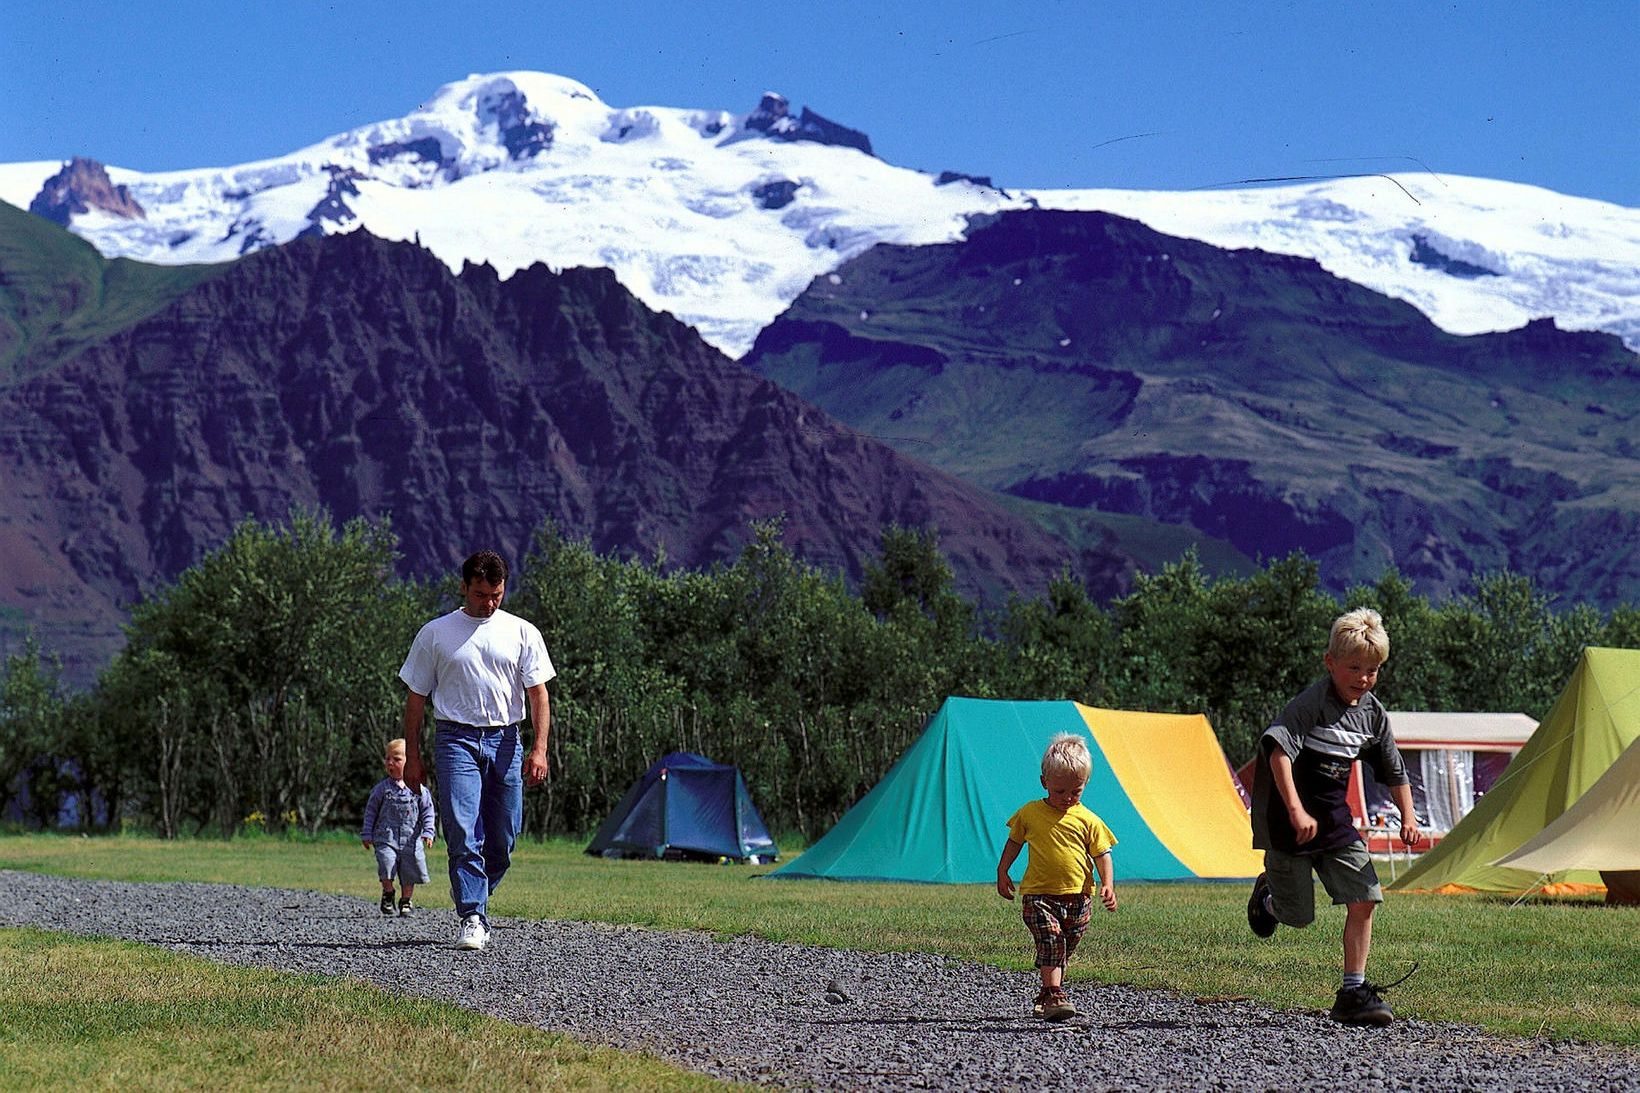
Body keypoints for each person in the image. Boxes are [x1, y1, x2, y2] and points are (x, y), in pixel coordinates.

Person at [1245, 607, 1422, 1026]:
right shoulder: (1311, 704)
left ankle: (1352, 991)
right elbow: (1278, 753)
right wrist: (1295, 809)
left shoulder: (1372, 714)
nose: (1363, 678)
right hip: (1290, 823)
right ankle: (1269, 899)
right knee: (1298, 917)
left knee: (1365, 898)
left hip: (1335, 822)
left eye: (1373, 670)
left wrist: (1408, 816)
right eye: (1354, 668)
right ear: (1331, 663)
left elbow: (1394, 769)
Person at [400, 550, 554, 952]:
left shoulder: (522, 632)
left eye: (497, 594)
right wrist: (413, 758)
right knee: (462, 829)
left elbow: (538, 695)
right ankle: (472, 914)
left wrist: (539, 749)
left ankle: (473, 891)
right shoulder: (435, 633)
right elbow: (416, 699)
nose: (489, 603)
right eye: (481, 594)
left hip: (506, 739)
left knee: (503, 837)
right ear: (464, 587)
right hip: (455, 739)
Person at [996, 732, 1118, 1021]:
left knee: (1063, 947)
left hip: (1079, 898)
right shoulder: (1030, 813)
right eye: (1060, 791)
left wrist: (1108, 884)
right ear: (1044, 783)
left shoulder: (1089, 820)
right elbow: (1014, 842)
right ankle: (1054, 995)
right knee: (1052, 940)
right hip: (1039, 896)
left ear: (1085, 785)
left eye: (1075, 792)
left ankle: (1047, 993)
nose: (1067, 798)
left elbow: (1103, 855)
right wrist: (1003, 870)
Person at [360, 738, 436, 916]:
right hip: (386, 838)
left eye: (397, 759)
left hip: (411, 839)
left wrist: (428, 832)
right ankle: (388, 892)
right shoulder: (381, 789)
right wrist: (367, 833)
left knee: (410, 870)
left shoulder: (419, 790)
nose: (390, 763)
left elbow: (428, 812)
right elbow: (371, 811)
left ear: (409, 762)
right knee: (386, 864)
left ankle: (406, 901)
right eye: (388, 759)